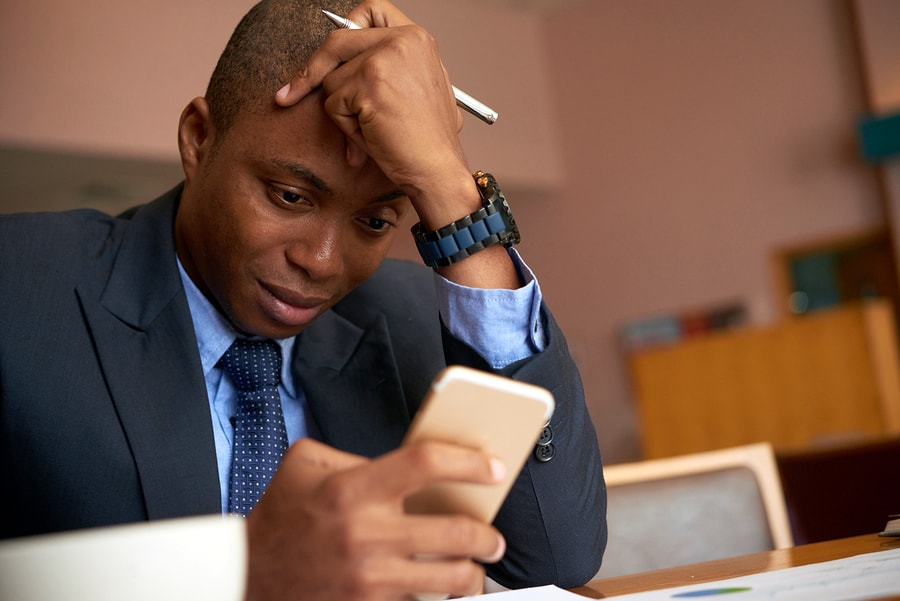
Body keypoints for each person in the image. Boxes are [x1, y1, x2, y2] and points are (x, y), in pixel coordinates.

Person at [0, 0, 607, 598]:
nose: (319, 261)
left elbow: (558, 554)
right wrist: (237, 577)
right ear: (198, 138)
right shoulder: (21, 288)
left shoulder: (416, 319)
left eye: (374, 222)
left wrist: (447, 184)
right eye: (290, 197)